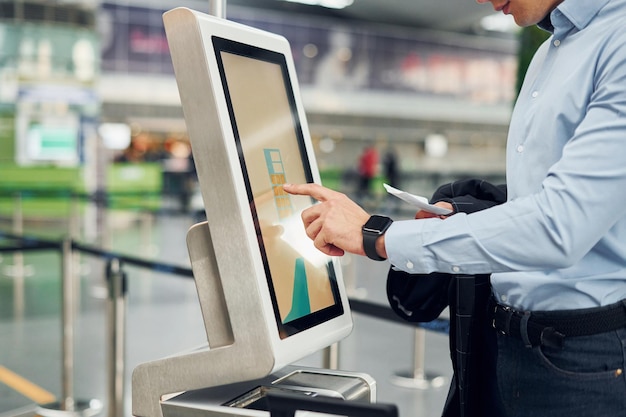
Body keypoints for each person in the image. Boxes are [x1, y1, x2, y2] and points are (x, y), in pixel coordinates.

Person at [283, 0, 626, 416]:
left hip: (584, 363)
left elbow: (560, 226)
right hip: (505, 346)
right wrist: (472, 210)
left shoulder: (618, 42)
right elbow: (552, 193)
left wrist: (379, 236)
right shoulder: (548, 53)